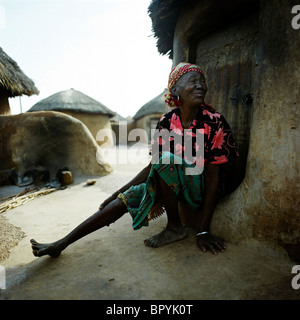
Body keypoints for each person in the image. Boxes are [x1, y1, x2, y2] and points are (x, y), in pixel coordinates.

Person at [30, 62, 238, 257]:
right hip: (177, 183)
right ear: (175, 90)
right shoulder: (168, 122)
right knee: (128, 197)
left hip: (200, 187)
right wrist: (116, 192)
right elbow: (153, 166)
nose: (200, 86)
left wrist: (203, 231)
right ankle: (62, 243)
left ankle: (174, 227)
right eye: (193, 81)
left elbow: (213, 179)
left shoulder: (214, 121)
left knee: (166, 160)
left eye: (202, 81)